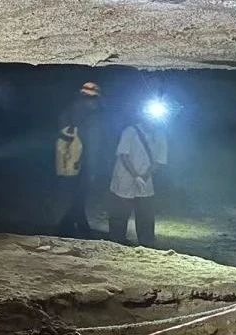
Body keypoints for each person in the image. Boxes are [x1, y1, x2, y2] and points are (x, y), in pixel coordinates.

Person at [108, 104, 168, 247]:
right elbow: (124, 155)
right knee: (120, 212)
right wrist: (136, 176)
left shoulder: (160, 135)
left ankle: (146, 243)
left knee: (146, 213)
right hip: (124, 177)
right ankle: (116, 241)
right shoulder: (130, 131)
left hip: (145, 179)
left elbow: (159, 161)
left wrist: (144, 177)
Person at [55, 80, 105, 238]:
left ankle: (74, 225)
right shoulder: (91, 115)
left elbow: (61, 131)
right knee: (79, 193)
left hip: (68, 160)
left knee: (76, 193)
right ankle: (71, 226)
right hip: (81, 161)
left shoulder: (69, 111)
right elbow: (93, 142)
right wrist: (93, 167)